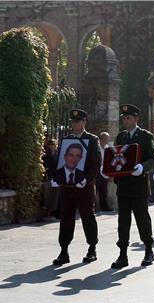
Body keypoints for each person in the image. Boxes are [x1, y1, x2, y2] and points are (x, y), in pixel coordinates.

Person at [104, 104, 154, 268]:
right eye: (124, 118)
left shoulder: (145, 136)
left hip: (139, 185)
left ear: (136, 119)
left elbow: (153, 159)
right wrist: (108, 170)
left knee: (142, 219)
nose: (125, 120)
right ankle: (122, 254)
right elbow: (116, 157)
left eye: (128, 118)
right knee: (123, 221)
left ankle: (148, 250)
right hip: (124, 186)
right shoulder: (121, 137)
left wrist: (143, 168)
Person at [52, 109, 101, 265]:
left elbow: (96, 164)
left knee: (88, 217)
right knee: (66, 218)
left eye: (78, 121)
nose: (75, 124)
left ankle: (92, 248)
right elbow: (60, 161)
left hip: (84, 188)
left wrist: (86, 180)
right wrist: (57, 178)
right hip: (67, 188)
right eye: (73, 121)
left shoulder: (92, 140)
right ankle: (64, 250)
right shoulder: (66, 139)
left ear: (84, 122)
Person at [96, 132, 112, 212]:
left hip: (104, 171)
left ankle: (104, 207)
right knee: (96, 190)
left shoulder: (107, 147)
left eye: (108, 138)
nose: (107, 140)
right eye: (106, 138)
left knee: (104, 190)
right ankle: (95, 208)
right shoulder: (97, 147)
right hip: (97, 171)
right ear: (101, 138)